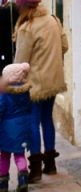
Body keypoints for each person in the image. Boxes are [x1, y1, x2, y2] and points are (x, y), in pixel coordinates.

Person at [13, 0, 68, 185]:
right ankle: (51, 164)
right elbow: (64, 46)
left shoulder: (27, 28)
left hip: (35, 84)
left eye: (18, 6)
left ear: (25, 7)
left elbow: (20, 61)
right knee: (47, 119)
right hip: (53, 81)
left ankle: (35, 169)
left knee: (32, 122)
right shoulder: (54, 20)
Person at [0, 62, 33, 191]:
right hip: (23, 127)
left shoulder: (4, 93)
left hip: (7, 129)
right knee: (20, 154)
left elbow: (1, 109)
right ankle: (23, 180)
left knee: (4, 155)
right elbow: (30, 107)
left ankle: (3, 184)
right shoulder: (26, 91)